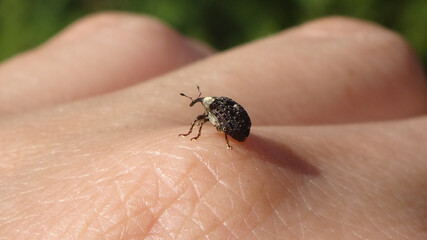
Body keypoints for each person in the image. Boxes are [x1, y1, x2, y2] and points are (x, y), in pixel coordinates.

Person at [0, 13, 426, 239]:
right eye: (200, 104)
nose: (198, 107)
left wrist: (216, 135)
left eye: (199, 104)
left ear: (206, 104)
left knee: (206, 149)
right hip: (241, 127)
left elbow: (227, 119)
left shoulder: (217, 109)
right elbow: (222, 115)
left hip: (241, 129)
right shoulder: (214, 106)